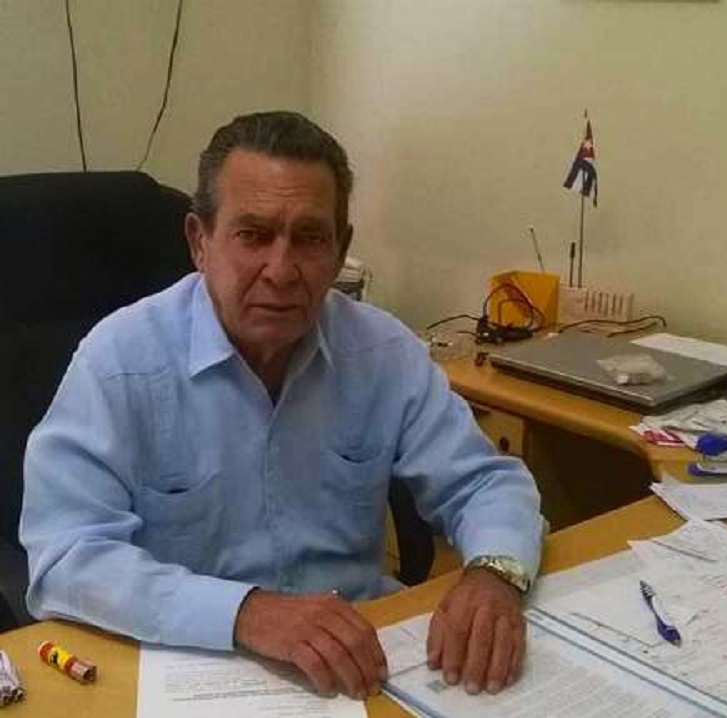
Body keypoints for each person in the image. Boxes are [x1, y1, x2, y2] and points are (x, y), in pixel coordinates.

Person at [21, 111, 545, 700]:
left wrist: (495, 573)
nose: (281, 270)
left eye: (310, 238)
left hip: (360, 662)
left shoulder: (381, 351)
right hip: (190, 669)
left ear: (340, 250)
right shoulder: (119, 361)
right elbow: (68, 556)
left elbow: (483, 482)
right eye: (253, 235)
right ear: (200, 242)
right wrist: (245, 612)